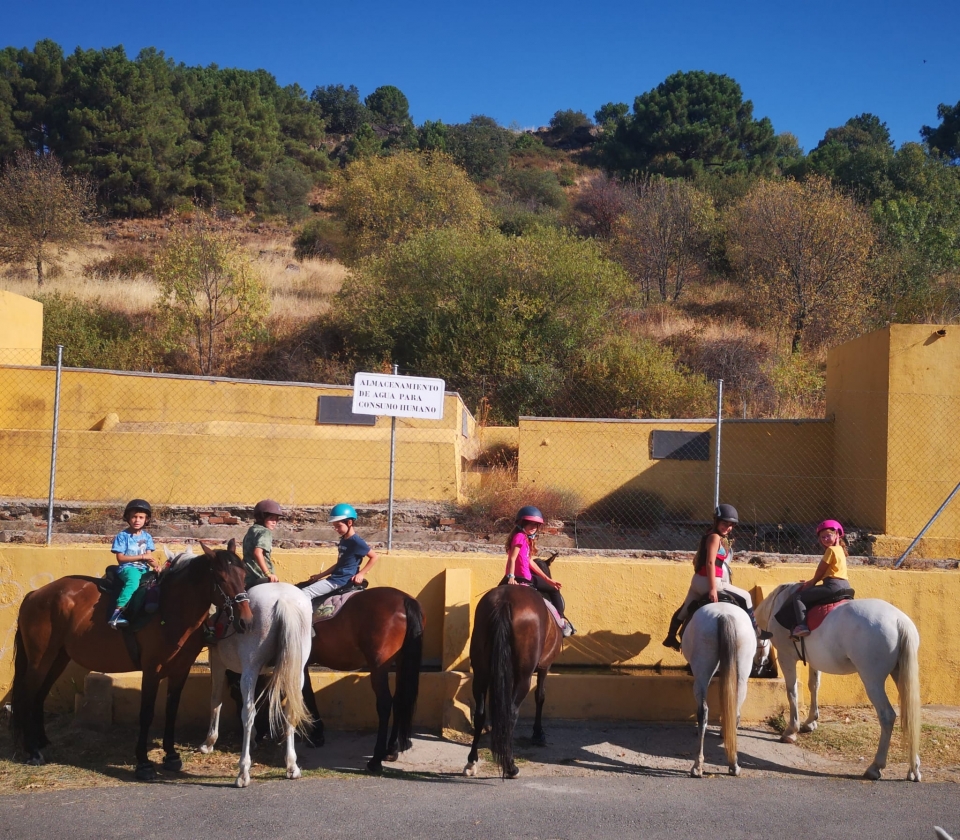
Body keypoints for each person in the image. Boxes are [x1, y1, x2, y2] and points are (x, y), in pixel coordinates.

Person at [662, 503, 771, 651]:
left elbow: (699, 560)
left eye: (731, 525)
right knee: (746, 596)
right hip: (711, 581)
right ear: (716, 522)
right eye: (724, 523)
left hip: (698, 581)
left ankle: (670, 636)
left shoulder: (708, 535)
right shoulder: (714, 538)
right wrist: (713, 588)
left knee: (685, 609)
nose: (728, 527)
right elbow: (710, 562)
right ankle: (757, 631)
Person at [502, 505, 576, 637]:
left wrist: (548, 579)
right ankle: (562, 621)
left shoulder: (524, 538)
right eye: (530, 524)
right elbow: (512, 558)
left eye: (536, 525)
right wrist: (511, 577)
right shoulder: (520, 537)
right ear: (521, 524)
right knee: (554, 590)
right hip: (523, 578)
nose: (533, 528)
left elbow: (529, 561)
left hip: (519, 576)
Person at [300, 504, 378, 600]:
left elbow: (374, 557)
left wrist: (361, 574)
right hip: (335, 578)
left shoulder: (357, 541)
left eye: (338, 526)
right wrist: (319, 576)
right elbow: (339, 564)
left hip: (341, 580)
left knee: (304, 593)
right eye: (334, 526)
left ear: (349, 522)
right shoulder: (344, 540)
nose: (336, 529)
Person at [790, 519, 851, 639]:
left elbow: (821, 570)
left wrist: (812, 583)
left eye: (828, 535)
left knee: (798, 597)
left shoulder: (830, 550)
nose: (825, 539)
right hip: (846, 586)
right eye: (823, 537)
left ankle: (802, 626)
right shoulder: (841, 551)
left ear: (837, 534)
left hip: (833, 586)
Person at [108, 499, 161, 628]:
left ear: (146, 520)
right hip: (128, 568)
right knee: (133, 581)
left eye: (141, 517)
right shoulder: (122, 536)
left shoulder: (147, 537)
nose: (137, 520)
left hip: (144, 569)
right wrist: (141, 556)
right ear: (128, 518)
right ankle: (117, 612)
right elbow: (120, 558)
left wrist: (157, 566)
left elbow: (149, 557)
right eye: (134, 517)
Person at [242, 499, 283, 588]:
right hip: (260, 576)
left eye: (276, 519)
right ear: (261, 518)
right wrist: (268, 574)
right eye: (271, 518)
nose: (274, 522)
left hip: (247, 578)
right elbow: (257, 552)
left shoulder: (251, 530)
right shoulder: (265, 532)